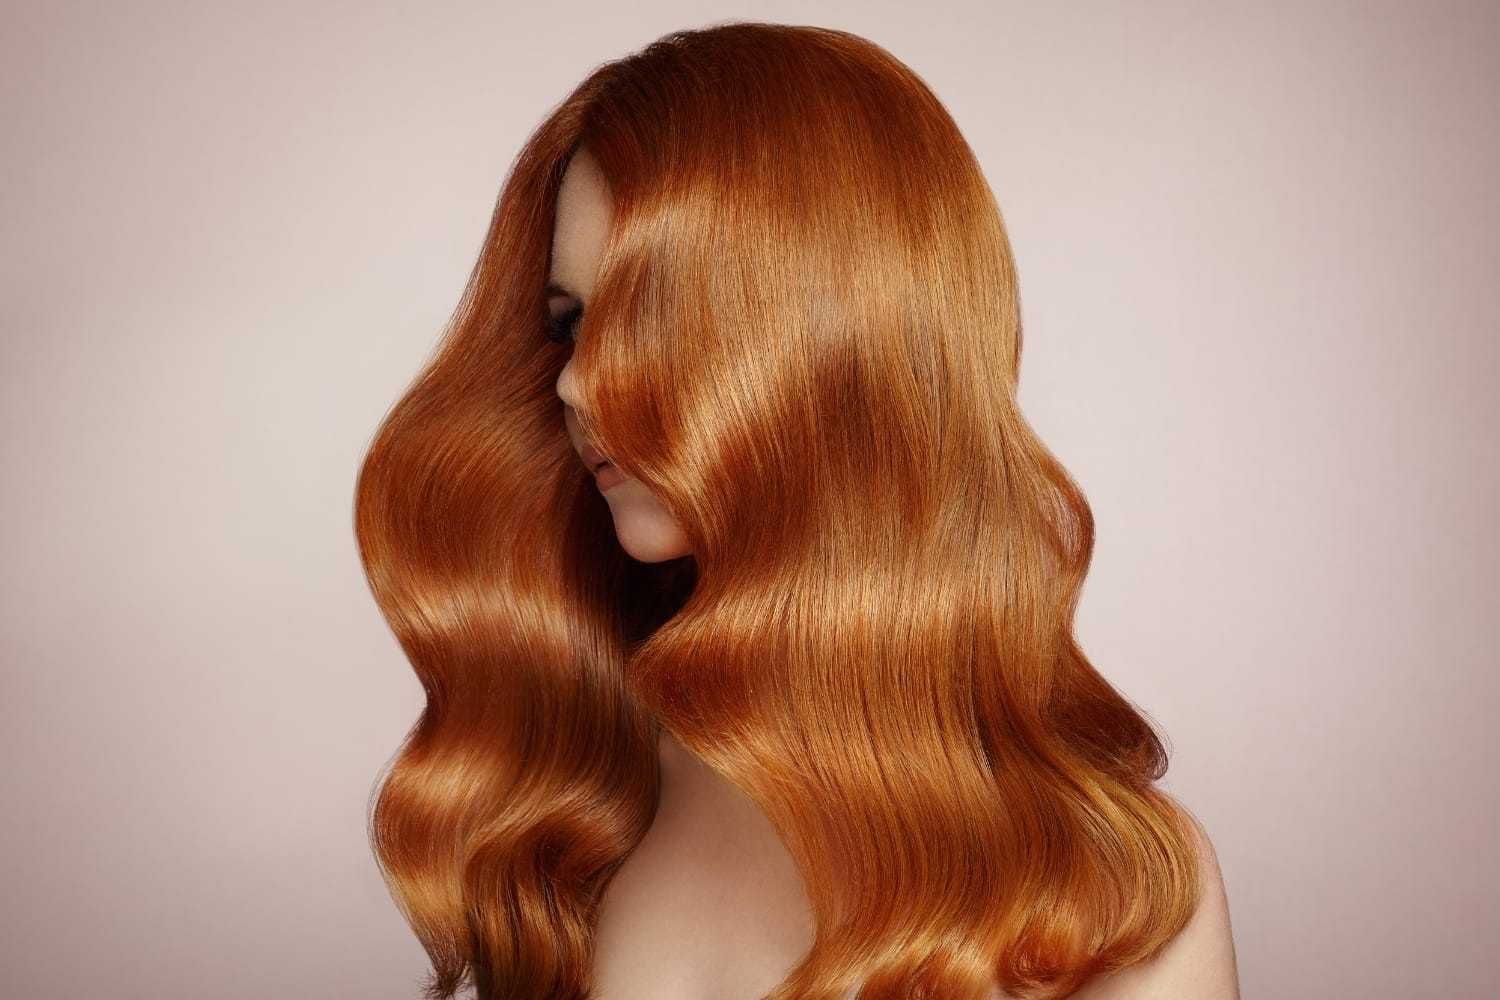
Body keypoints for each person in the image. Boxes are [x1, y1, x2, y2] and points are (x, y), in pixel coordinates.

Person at [355, 21, 1238, 1000]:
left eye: (655, 319)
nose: (575, 384)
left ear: (841, 346)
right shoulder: (581, 796)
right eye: (572, 324)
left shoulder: (1114, 887)